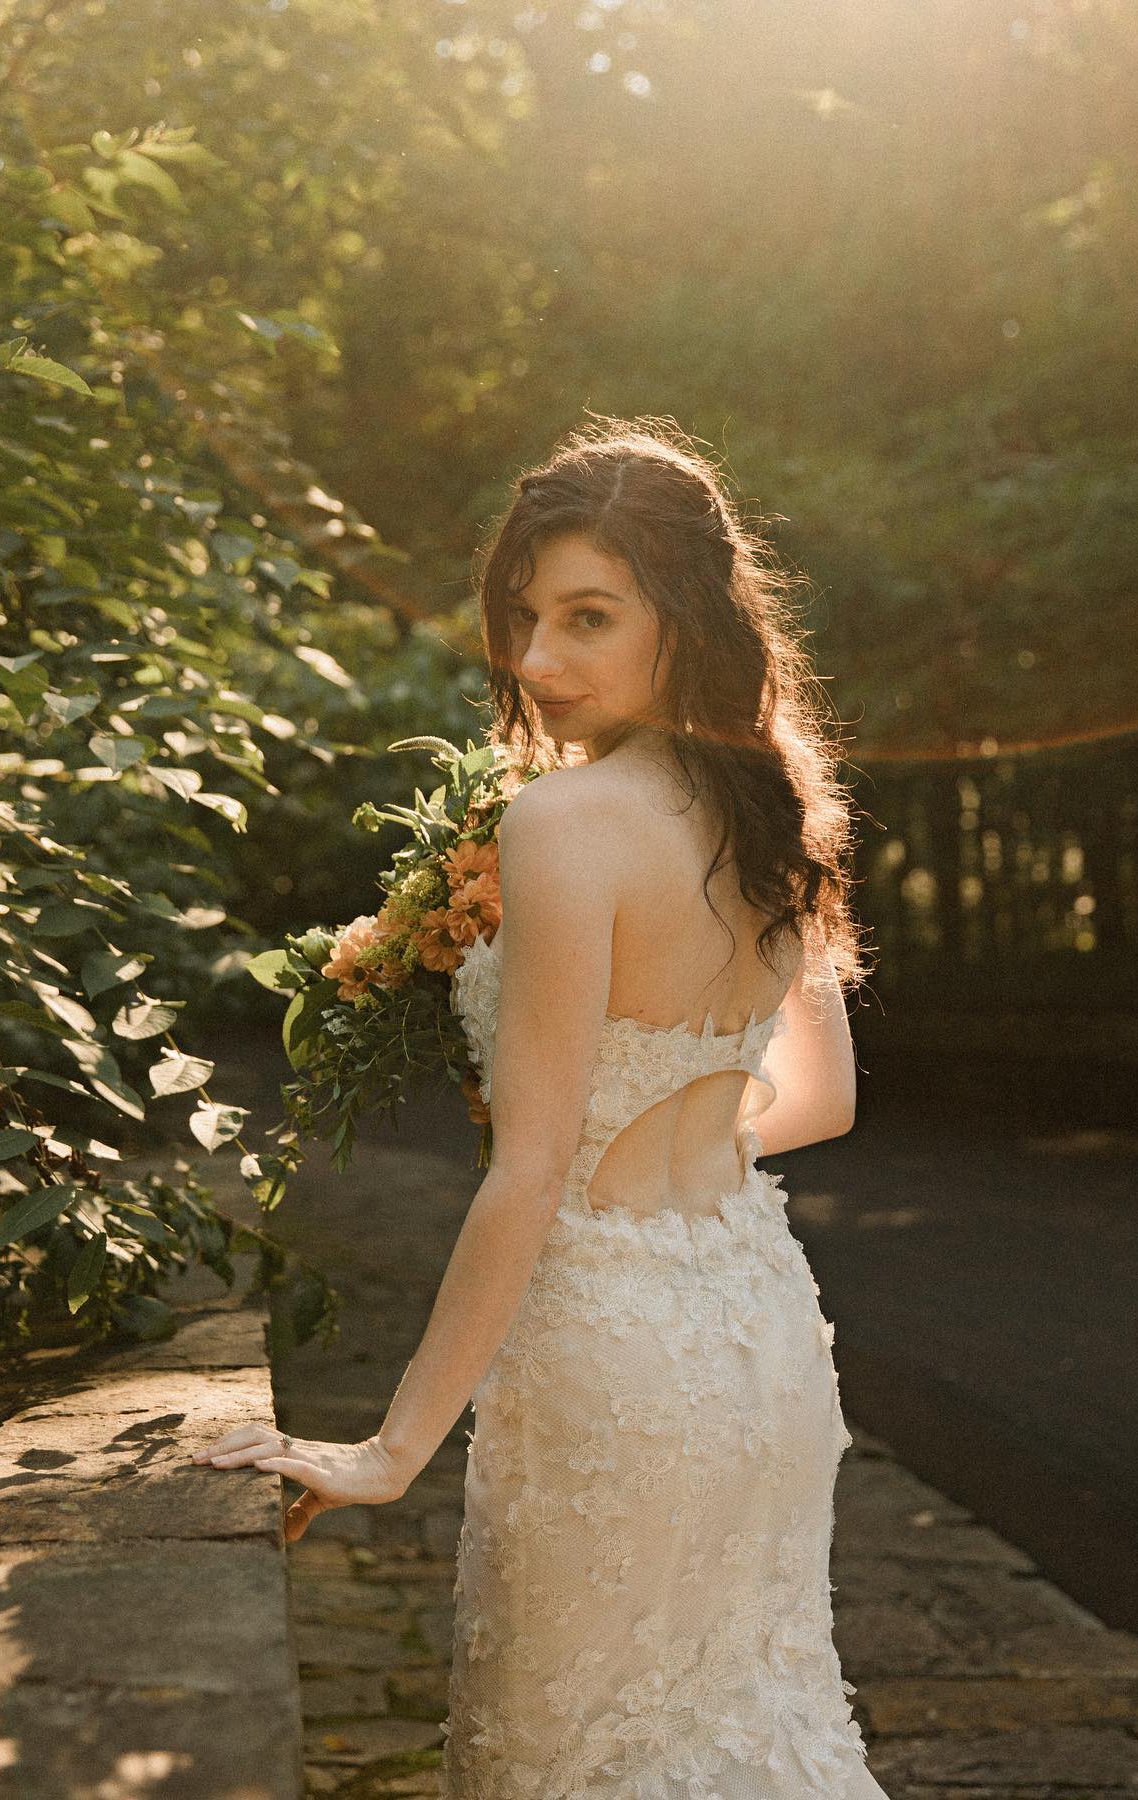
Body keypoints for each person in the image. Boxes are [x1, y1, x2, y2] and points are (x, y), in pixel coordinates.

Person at [193, 416, 888, 1797]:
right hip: (758, 1337)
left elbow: (528, 1174)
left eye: (586, 618)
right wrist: (655, 1129)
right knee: (753, 1718)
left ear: (682, 619)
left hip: (613, 1367)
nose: (534, 662)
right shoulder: (776, 810)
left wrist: (392, 1450)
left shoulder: (562, 826)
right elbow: (824, 1099)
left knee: (587, 1752)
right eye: (522, 618)